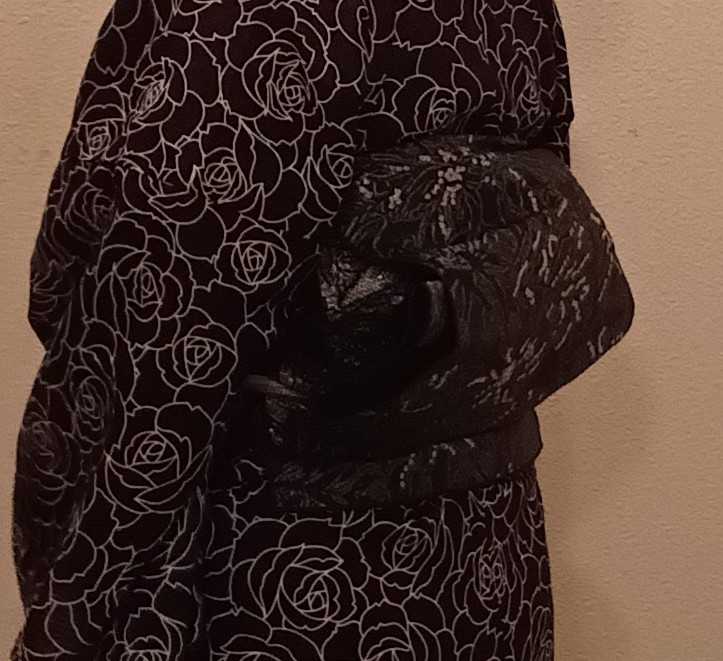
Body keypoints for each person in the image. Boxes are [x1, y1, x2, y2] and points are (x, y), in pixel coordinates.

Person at [12, 0, 574, 658]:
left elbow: (156, 336)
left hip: (293, 578)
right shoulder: (520, 10)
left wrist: (72, 610)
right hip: (489, 562)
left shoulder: (249, 16)